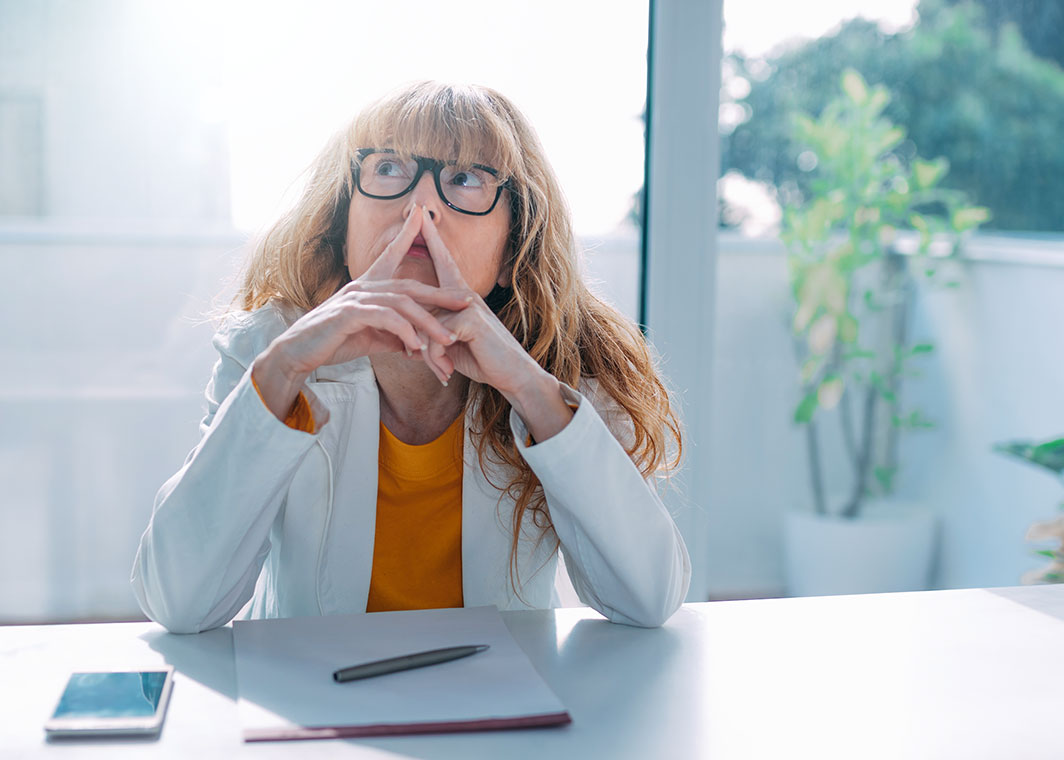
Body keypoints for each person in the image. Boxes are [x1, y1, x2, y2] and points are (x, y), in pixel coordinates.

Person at [131, 81, 690, 634]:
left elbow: (648, 598)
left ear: (510, 248)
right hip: (318, 710)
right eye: (389, 169)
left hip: (494, 712)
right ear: (342, 224)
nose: (419, 206)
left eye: (465, 179)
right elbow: (180, 603)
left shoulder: (560, 367)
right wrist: (281, 373)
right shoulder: (269, 348)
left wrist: (527, 387)